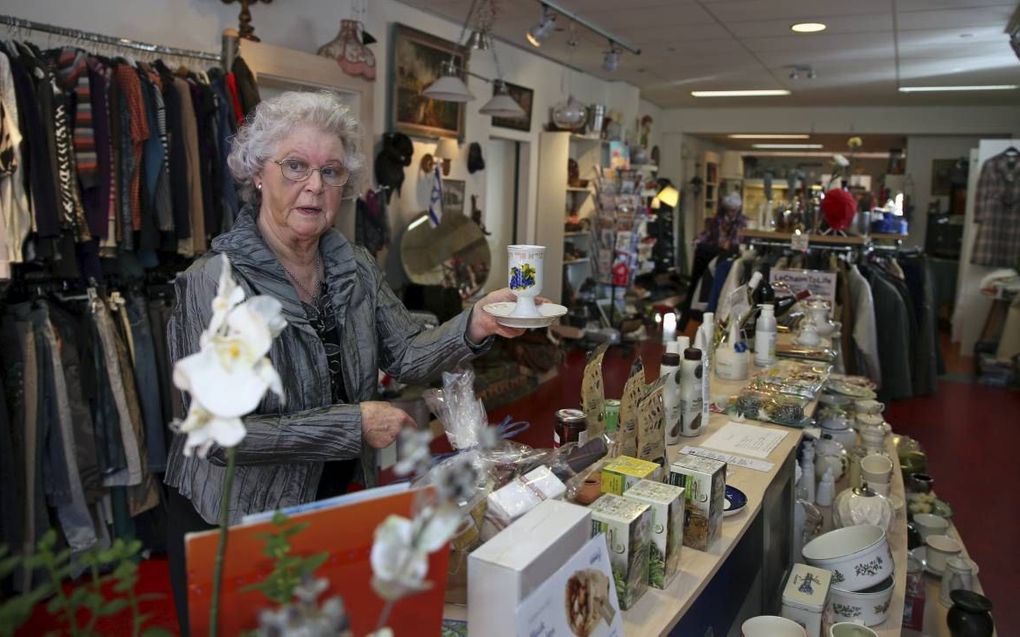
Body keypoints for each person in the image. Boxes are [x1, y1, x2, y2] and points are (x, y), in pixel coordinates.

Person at [163, 90, 525, 632]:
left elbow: (404, 353)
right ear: (258, 174)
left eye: (331, 171)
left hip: (329, 499)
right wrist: (352, 423)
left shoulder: (351, 265)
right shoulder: (214, 283)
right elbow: (218, 435)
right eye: (295, 166)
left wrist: (476, 322)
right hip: (235, 518)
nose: (314, 185)